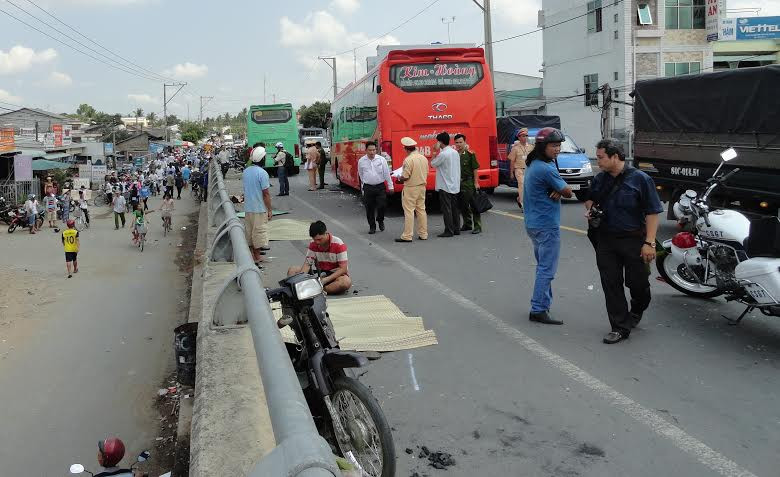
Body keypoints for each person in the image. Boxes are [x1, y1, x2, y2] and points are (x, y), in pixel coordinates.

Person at [586, 139, 664, 344]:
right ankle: (619, 326)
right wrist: (591, 211)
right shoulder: (600, 179)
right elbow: (590, 199)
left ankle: (637, 309)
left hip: (634, 240)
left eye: (601, 157)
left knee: (637, 284)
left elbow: (653, 212)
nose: (598, 160)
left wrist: (650, 242)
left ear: (615, 156)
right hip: (606, 239)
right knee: (610, 283)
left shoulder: (640, 179)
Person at [523, 127, 573, 325]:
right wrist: (561, 190)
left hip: (533, 224)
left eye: (559, 145)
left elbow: (559, 188)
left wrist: (557, 189)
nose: (557, 149)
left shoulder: (534, 164)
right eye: (553, 146)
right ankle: (538, 309)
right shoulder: (546, 168)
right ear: (543, 146)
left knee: (542, 267)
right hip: (546, 226)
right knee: (547, 269)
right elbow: (568, 192)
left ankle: (543, 303)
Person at [288, 221, 352, 295]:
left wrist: (325, 280)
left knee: (345, 283)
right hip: (320, 273)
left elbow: (343, 269)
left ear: (325, 233)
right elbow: (307, 264)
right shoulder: (313, 243)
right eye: (314, 239)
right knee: (292, 270)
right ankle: (313, 288)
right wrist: (300, 279)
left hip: (335, 275)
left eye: (319, 239)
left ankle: (320, 290)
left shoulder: (338, 244)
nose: (317, 242)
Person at [394, 137, 428, 243]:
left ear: (406, 148)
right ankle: (423, 234)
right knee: (421, 210)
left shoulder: (408, 160)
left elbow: (406, 176)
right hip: (422, 187)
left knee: (409, 211)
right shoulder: (423, 158)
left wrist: (399, 178)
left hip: (410, 188)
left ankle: (407, 235)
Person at [243, 146, 273, 266]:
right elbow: (266, 194)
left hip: (248, 208)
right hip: (259, 208)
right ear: (262, 158)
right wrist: (270, 209)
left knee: (250, 233)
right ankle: (257, 257)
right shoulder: (262, 173)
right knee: (258, 233)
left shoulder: (246, 171)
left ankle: (253, 255)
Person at [357, 141, 393, 234]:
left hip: (380, 186)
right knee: (369, 208)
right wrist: (363, 187)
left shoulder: (381, 160)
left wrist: (390, 185)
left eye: (374, 150)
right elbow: (361, 174)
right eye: (370, 150)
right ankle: (372, 226)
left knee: (382, 205)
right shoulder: (361, 161)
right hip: (368, 187)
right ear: (366, 150)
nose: (372, 152)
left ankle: (380, 220)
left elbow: (386, 174)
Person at [430, 131, 461, 237]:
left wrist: (434, 151)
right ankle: (456, 228)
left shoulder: (443, 154)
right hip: (455, 184)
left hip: (445, 185)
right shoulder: (454, 152)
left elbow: (433, 164)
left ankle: (449, 230)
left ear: (440, 142)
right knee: (454, 208)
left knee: (446, 209)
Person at [455, 134, 482, 234]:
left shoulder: (470, 154)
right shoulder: (455, 154)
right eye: (457, 142)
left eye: (460, 142)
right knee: (463, 205)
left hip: (469, 182)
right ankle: (467, 224)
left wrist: (476, 182)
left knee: (473, 204)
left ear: (465, 142)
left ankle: (478, 226)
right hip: (459, 183)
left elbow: (475, 168)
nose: (459, 144)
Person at [508, 127, 532, 210]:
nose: (525, 137)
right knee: (521, 185)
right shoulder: (515, 148)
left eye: (526, 136)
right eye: (523, 136)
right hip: (519, 170)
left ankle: (519, 199)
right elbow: (512, 161)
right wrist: (511, 173)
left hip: (529, 170)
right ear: (519, 137)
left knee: (528, 187)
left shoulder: (531, 147)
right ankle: (523, 204)